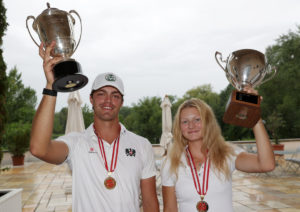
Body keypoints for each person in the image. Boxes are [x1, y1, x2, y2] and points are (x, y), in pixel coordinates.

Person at [30, 41, 159, 212]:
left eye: (115, 96)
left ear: (121, 102)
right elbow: (39, 149)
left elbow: (150, 202)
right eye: (101, 94)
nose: (108, 101)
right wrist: (51, 86)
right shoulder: (76, 143)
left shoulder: (142, 145)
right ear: (91, 99)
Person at [161, 90, 275, 212]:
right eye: (185, 121)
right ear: (179, 127)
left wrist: (255, 116)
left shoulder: (227, 153)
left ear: (208, 122)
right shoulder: (171, 162)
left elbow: (266, 164)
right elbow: (169, 209)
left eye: (197, 119)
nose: (191, 125)